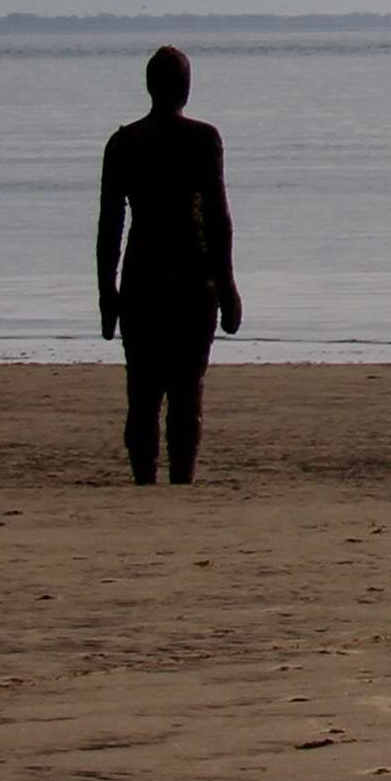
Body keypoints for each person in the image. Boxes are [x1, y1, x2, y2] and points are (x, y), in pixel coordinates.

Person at [94, 45, 243, 484]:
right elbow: (218, 218)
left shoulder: (123, 144)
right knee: (184, 394)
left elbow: (109, 228)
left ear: (150, 87)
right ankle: (179, 480)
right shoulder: (202, 140)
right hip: (191, 284)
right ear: (185, 88)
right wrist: (228, 285)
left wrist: (108, 291)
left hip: (143, 282)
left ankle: (146, 482)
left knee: (142, 394)